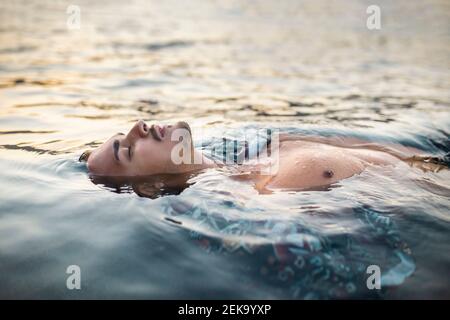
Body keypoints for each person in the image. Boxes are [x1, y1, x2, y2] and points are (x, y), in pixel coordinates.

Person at [80, 119, 443, 194]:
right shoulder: (268, 194)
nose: (137, 127)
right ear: (153, 188)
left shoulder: (265, 147)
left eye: (124, 132)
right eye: (127, 149)